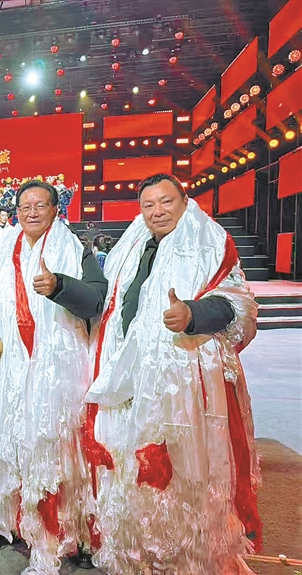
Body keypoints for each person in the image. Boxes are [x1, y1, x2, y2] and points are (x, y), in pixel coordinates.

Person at [84, 174, 261, 575]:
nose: (157, 211)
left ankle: (187, 560)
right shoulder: (132, 247)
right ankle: (136, 555)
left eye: (166, 202)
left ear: (184, 201)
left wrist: (192, 314)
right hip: (125, 377)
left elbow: (237, 304)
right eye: (148, 205)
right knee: (131, 470)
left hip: (180, 385)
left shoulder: (210, 243)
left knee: (181, 475)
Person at [0, 180, 107, 575]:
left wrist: (59, 286)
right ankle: (12, 522)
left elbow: (95, 299)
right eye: (25, 206)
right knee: (8, 445)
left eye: (40, 205)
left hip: (58, 371)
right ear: (16, 212)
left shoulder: (75, 249)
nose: (32, 212)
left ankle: (63, 534)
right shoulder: (3, 250)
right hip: (8, 367)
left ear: (56, 210)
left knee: (54, 448)